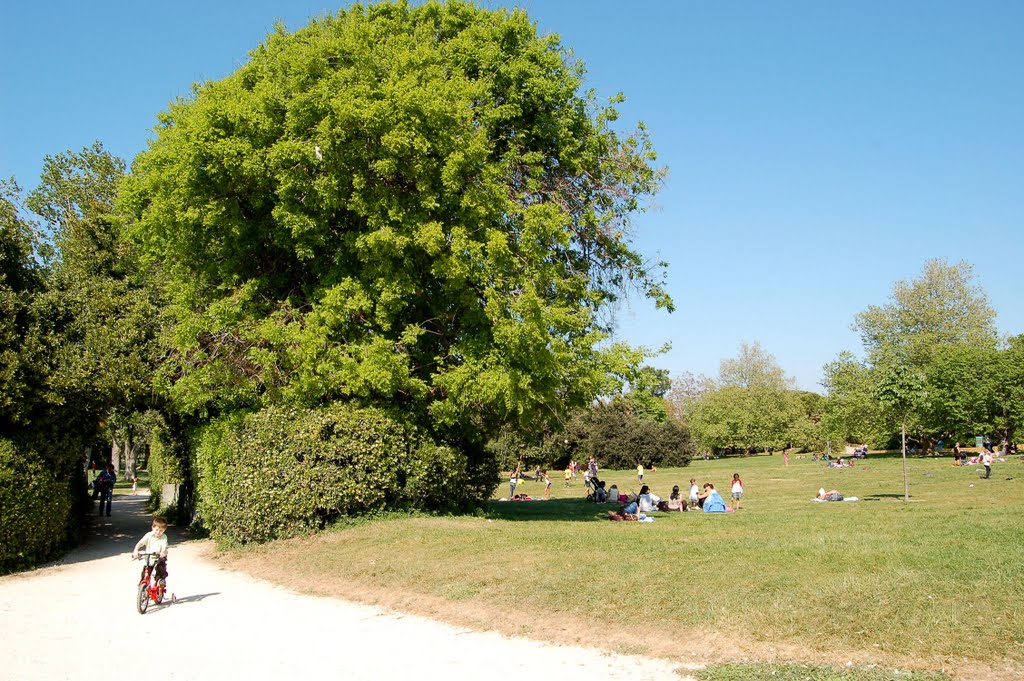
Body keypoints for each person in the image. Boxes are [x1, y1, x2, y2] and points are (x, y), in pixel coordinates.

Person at [132, 515, 170, 584]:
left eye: (161, 531)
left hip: (159, 556)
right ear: (152, 528)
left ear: (164, 530)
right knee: (145, 573)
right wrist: (136, 550)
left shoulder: (164, 537)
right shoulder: (149, 535)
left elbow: (164, 546)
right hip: (149, 557)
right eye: (156, 530)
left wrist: (162, 552)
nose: (158, 532)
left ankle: (161, 580)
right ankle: (143, 587)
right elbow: (140, 543)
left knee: (161, 568)